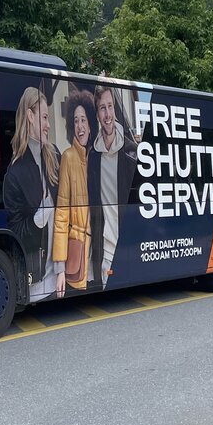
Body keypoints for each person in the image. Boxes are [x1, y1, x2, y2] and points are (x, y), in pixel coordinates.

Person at [3, 86, 61, 302]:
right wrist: (39, 217)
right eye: (44, 117)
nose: (48, 125)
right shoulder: (15, 174)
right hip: (37, 280)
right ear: (29, 116)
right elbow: (15, 231)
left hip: (63, 273)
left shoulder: (54, 155)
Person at [87, 85, 137, 290]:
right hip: (105, 242)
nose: (107, 114)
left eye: (110, 106)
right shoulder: (93, 156)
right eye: (102, 108)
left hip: (128, 237)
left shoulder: (131, 151)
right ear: (97, 114)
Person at [54, 88, 95, 296]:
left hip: (100, 252)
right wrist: (60, 268)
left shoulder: (98, 157)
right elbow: (61, 214)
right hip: (80, 250)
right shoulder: (68, 157)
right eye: (76, 120)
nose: (80, 126)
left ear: (91, 124)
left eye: (84, 120)